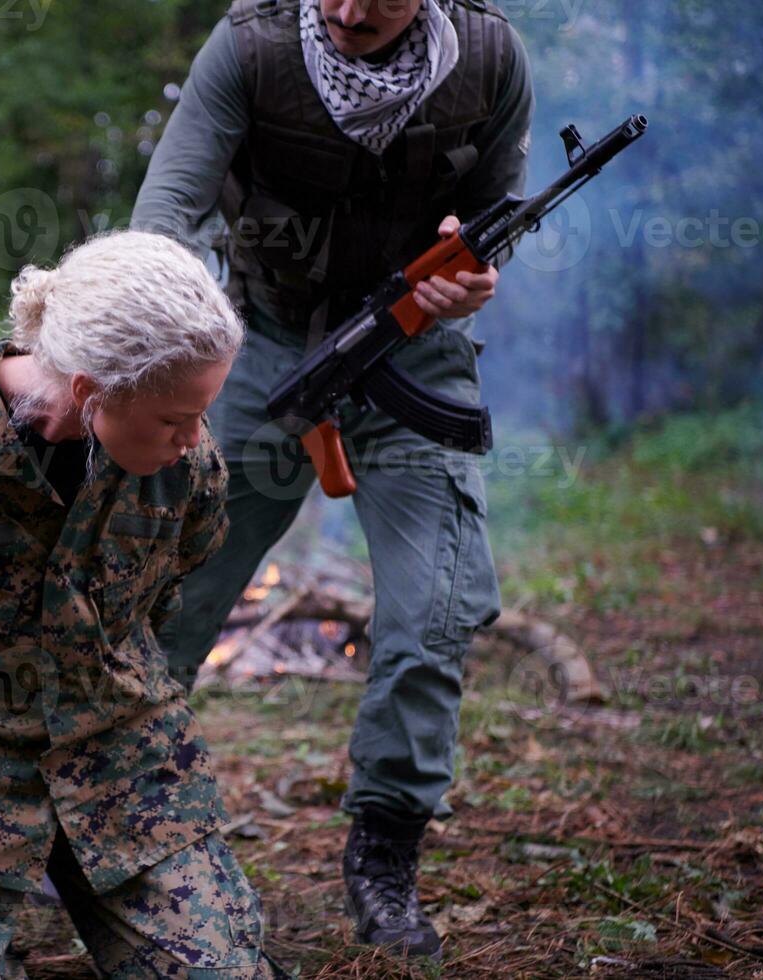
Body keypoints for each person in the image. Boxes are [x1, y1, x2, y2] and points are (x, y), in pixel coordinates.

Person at [131, 0, 533, 959]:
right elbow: (160, 221)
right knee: (163, 598)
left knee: (433, 617)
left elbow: (499, 217)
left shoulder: (488, 56)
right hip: (261, 352)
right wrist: (163, 327)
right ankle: (125, 825)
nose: (351, 14)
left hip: (417, 361)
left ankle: (384, 858)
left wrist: (475, 276)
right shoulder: (250, 49)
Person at [0, 230, 286, 977]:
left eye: (202, 414)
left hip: (118, 753)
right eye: (173, 419)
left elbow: (157, 608)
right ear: (91, 391)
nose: (193, 439)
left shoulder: (189, 471)